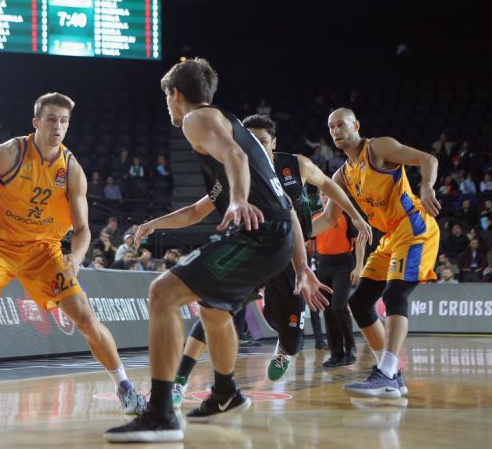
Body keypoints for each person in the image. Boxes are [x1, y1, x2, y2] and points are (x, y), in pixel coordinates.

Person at [105, 59, 328, 442]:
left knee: (162, 293)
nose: (168, 105)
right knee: (213, 308)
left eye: (167, 98)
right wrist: (301, 266)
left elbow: (236, 160)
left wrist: (238, 200)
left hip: (259, 234)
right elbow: (282, 206)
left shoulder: (198, 119)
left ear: (176, 94)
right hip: (277, 235)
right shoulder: (231, 127)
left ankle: (160, 415)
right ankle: (225, 393)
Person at [0, 92, 144, 415]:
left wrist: (76, 258)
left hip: (44, 252)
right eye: (52, 119)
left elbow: (83, 230)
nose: (58, 126)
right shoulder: (8, 153)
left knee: (85, 318)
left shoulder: (72, 170)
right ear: (36, 122)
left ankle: (124, 386)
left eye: (64, 121)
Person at [169, 114, 369, 403]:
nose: (256, 147)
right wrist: (155, 224)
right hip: (252, 250)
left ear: (274, 142)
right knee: (213, 308)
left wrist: (354, 214)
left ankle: (284, 348)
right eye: (250, 141)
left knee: (292, 341)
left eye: (262, 141)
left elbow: (327, 185)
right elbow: (197, 210)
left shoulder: (296, 165)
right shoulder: (233, 171)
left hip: (290, 253)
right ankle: (179, 380)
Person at [321, 108, 440, 399]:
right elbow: (327, 219)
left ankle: (385, 372)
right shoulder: (341, 175)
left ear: (356, 125)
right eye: (331, 127)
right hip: (390, 237)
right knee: (359, 302)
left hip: (414, 225)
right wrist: (289, 229)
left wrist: (426, 186)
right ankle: (392, 377)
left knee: (395, 293)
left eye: (341, 124)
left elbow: (428, 159)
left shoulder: (378, 148)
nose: (336, 131)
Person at [312, 189, 365, 368]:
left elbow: (358, 241)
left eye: (328, 194)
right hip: (323, 265)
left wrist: (359, 266)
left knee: (339, 306)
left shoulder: (345, 215)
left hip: (344, 264)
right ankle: (336, 353)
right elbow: (308, 244)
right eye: (322, 194)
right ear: (319, 197)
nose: (325, 197)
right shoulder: (315, 217)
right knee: (327, 310)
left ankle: (350, 349)